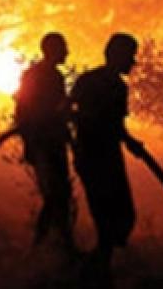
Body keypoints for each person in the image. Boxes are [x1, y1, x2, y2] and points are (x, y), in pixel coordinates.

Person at [70, 33, 146, 278]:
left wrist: (129, 142)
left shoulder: (94, 81)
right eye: (130, 56)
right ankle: (95, 271)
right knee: (112, 216)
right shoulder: (111, 86)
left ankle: (98, 265)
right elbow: (69, 111)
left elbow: (113, 124)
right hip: (99, 158)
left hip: (99, 156)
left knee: (116, 215)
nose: (133, 62)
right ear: (117, 55)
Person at [14, 32, 75, 253]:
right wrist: (32, 143)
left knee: (60, 195)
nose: (67, 52)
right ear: (52, 50)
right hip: (45, 145)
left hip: (52, 143)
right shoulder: (40, 76)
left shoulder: (50, 76)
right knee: (56, 195)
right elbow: (24, 111)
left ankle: (62, 244)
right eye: (63, 48)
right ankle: (43, 244)